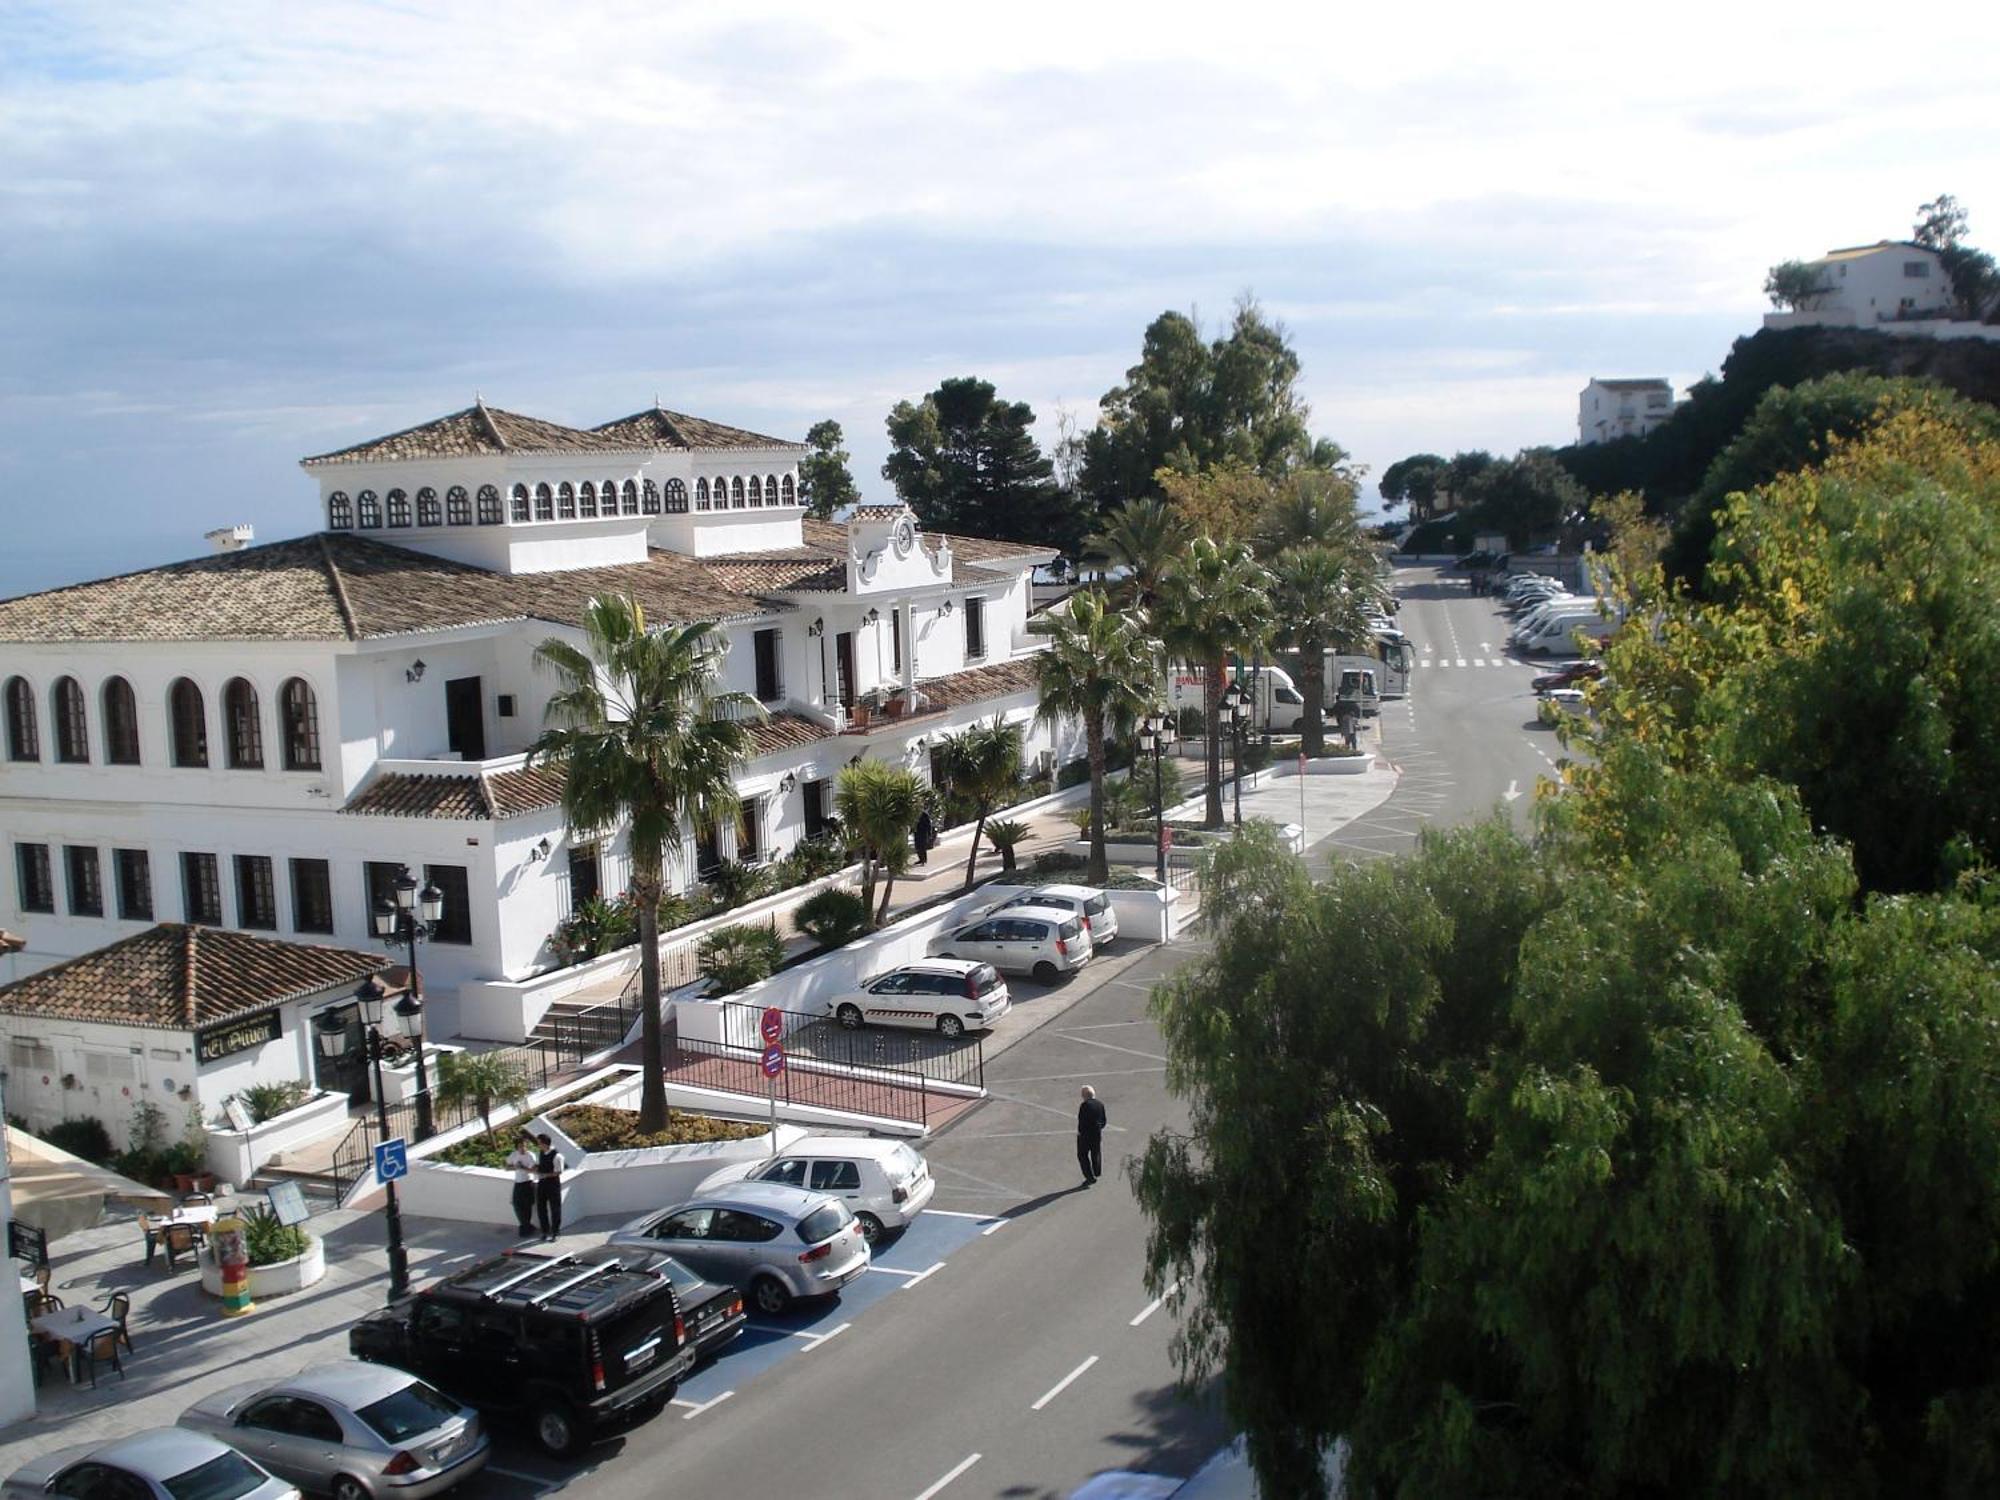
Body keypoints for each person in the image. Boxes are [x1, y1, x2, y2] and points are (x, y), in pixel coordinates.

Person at [505, 1132, 538, 1238]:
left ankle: (526, 1226)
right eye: (520, 1146)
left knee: (527, 1205)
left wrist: (523, 1167)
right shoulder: (514, 1155)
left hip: (527, 1182)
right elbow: (507, 1167)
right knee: (517, 1204)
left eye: (524, 1145)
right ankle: (525, 1225)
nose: (522, 1148)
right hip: (518, 1182)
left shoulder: (530, 1155)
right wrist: (516, 1167)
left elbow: (533, 1170)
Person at [534, 1133, 563, 1241]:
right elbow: (539, 1165)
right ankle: (544, 1231)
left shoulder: (557, 1156)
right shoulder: (541, 1153)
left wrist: (545, 1175)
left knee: (555, 1208)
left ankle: (555, 1231)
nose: (538, 1145)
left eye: (539, 1143)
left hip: (553, 1184)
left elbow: (558, 1172)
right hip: (542, 1183)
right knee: (541, 1207)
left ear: (545, 1143)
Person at [1077, 1085, 1107, 1187]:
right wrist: (1098, 1128)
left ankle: (1089, 1177)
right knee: (1096, 1152)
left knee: (1082, 1155)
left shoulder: (1084, 1106)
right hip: (1096, 1134)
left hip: (1085, 1135)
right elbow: (1104, 1121)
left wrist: (1080, 1132)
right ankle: (1097, 1171)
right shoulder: (1100, 1104)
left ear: (1085, 1095)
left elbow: (1081, 1121)